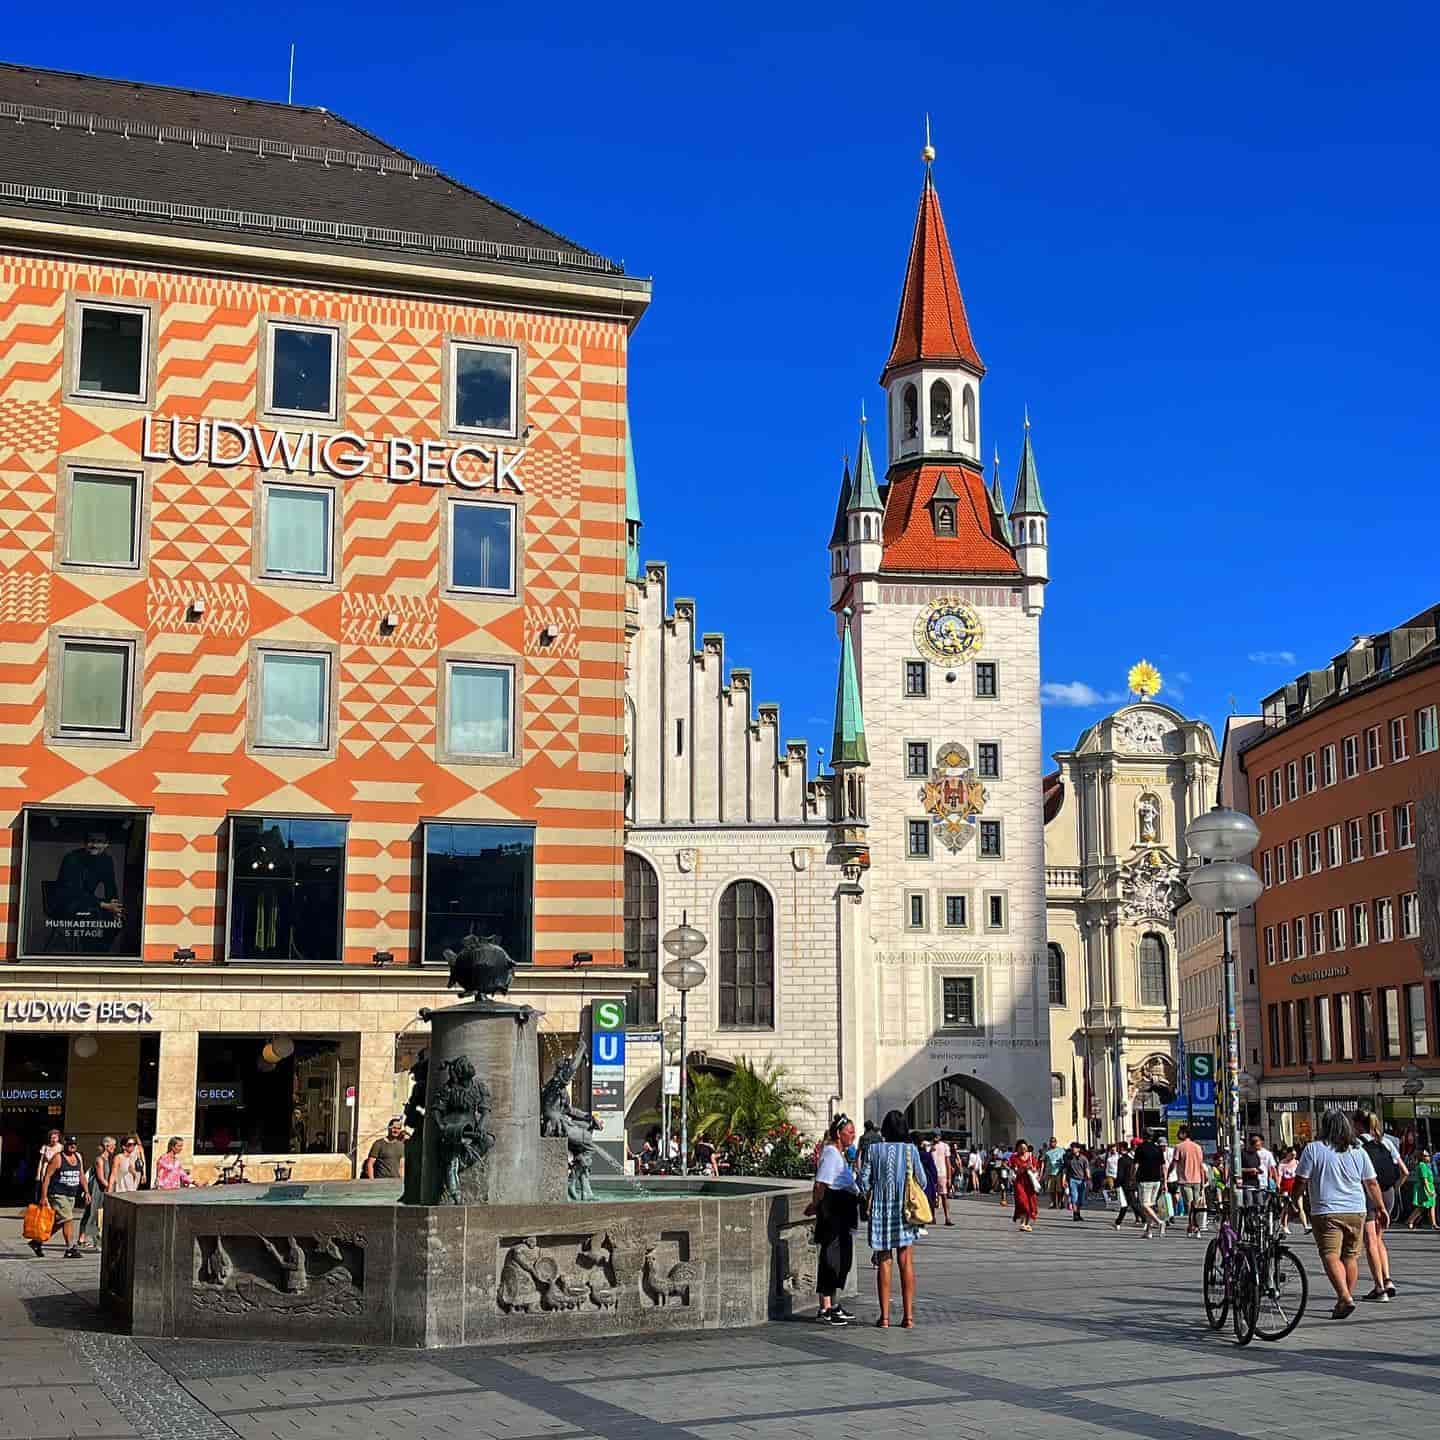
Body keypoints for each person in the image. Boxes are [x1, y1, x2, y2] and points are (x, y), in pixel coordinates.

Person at [1294, 1108, 1386, 1319]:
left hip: (1326, 1211)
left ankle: (1345, 1297)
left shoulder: (1314, 1149)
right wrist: (1380, 1208)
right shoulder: (1358, 1150)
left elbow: (1301, 1180)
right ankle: (1345, 1298)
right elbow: (1371, 1182)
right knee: (1350, 1256)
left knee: (1330, 1255)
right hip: (1357, 1210)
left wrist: (1293, 1200)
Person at [857, 1109, 925, 1329]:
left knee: (884, 1261)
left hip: (880, 1210)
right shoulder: (910, 1150)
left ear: (885, 1129)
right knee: (905, 1261)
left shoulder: (874, 1150)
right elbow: (922, 1181)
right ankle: (908, 1317)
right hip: (904, 1210)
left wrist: (875, 1190)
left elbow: (863, 1182)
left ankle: (884, 1317)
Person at [805, 1114, 859, 1326]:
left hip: (842, 1211)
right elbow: (821, 1184)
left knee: (841, 1259)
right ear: (839, 1134)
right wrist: (816, 1205)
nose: (853, 1137)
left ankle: (833, 1304)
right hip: (833, 1211)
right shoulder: (830, 1154)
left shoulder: (838, 1154)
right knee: (831, 1258)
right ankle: (825, 1307)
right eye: (849, 1133)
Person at [1352, 1109, 1404, 1301]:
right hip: (1388, 1192)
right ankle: (1388, 1279)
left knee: (1371, 1242)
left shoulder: (1356, 1144)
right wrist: (1394, 1187)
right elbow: (1404, 1170)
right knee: (1379, 1239)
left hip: (1368, 1193)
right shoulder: (1387, 1142)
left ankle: (1380, 1289)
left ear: (1358, 1124)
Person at [33, 1135, 90, 1258]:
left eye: (74, 1144)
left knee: (60, 1222)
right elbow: (47, 1177)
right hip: (57, 1194)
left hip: (71, 1195)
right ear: (65, 1145)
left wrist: (87, 1191)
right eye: (70, 1144)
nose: (72, 1146)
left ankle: (37, 1241)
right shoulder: (58, 1158)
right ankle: (70, 1248)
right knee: (68, 1218)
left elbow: (81, 1176)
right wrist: (43, 1196)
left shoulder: (77, 1157)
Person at [76, 1136, 115, 1252]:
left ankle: (85, 1239)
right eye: (113, 1145)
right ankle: (84, 1239)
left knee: (95, 1215)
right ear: (107, 1146)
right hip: (96, 1190)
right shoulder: (100, 1160)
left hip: (102, 1190)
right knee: (91, 1213)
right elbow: (100, 1178)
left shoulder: (108, 1159)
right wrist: (110, 1188)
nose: (115, 1147)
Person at [1172, 1126, 1207, 1237]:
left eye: (1179, 1132)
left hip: (1185, 1180)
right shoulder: (1198, 1147)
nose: (1177, 1134)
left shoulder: (1178, 1147)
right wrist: (1202, 1182)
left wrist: (1167, 1174)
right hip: (1197, 1180)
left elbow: (1174, 1163)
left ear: (1183, 1133)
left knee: (1190, 1205)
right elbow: (1201, 1166)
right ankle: (1194, 1226)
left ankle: (1193, 1226)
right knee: (1195, 1205)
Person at [1133, 1130, 1167, 1238]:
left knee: (1144, 1204)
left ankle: (1159, 1222)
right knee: (1150, 1205)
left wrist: (1132, 1177)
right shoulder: (1158, 1149)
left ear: (1143, 1136)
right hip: (1156, 1180)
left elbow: (1135, 1165)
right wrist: (1164, 1181)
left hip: (1144, 1180)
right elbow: (1163, 1166)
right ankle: (1148, 1231)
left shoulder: (1140, 1148)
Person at [1277, 1146, 1309, 1234]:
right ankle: (1284, 1225)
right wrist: (1278, 1185)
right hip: (1286, 1187)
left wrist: (1303, 1187)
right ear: (1287, 1154)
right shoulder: (1282, 1164)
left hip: (1296, 1187)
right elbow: (1280, 1176)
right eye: (1291, 1154)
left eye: (1295, 1155)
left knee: (1300, 1207)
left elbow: (1301, 1176)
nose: (1293, 1157)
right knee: (1286, 1208)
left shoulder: (1297, 1163)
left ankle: (1305, 1226)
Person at [1011, 1140, 1040, 1233]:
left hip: (1030, 1183)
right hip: (1020, 1182)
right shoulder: (1014, 1158)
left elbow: (1035, 1169)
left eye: (1024, 1148)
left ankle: (1026, 1224)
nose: (1023, 1150)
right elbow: (1016, 1171)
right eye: (1020, 1148)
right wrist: (1024, 1168)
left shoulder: (1031, 1157)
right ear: (1017, 1149)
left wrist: (1032, 1168)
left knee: (1030, 1202)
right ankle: (1022, 1223)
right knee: (1022, 1201)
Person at [1406, 1149, 1436, 1230]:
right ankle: (1410, 1220)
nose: (1429, 1157)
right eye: (1427, 1155)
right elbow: (1424, 1180)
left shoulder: (1426, 1165)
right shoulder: (1422, 1165)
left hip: (1429, 1186)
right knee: (1421, 1207)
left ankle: (1434, 1224)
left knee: (1432, 1205)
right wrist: (1429, 1191)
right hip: (1424, 1188)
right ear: (1422, 1157)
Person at [1113, 1142, 1140, 1229]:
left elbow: (1120, 1174)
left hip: (1126, 1184)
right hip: (1134, 1183)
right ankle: (1118, 1221)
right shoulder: (1134, 1158)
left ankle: (1145, 1219)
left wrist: (1116, 1184)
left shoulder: (1122, 1159)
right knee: (1126, 1203)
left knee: (1132, 1203)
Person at [930, 1132, 954, 1223]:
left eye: (937, 1136)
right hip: (931, 1174)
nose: (935, 1137)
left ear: (940, 1137)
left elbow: (948, 1163)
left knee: (944, 1196)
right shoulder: (929, 1146)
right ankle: (932, 1217)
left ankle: (947, 1217)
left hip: (942, 1173)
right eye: (934, 1136)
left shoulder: (945, 1146)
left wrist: (949, 1178)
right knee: (932, 1196)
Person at [35, 1129, 62, 1203]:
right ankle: (46, 1209)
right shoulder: (45, 1147)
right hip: (45, 1169)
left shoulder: (61, 1147)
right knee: (44, 1190)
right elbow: (41, 1161)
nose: (53, 1140)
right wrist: (38, 1174)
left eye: (55, 1138)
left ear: (58, 1138)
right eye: (51, 1138)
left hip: (56, 1171)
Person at [1064, 1142, 1089, 1219]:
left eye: (1074, 1148)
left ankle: (1078, 1212)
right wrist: (1064, 1180)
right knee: (1074, 1197)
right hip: (1073, 1180)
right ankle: (1075, 1214)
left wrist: (1089, 1179)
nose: (1073, 1149)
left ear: (1078, 1149)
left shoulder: (1083, 1158)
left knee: (1080, 1199)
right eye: (1072, 1148)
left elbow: (1087, 1169)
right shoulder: (1069, 1158)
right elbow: (1065, 1170)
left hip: (1082, 1180)